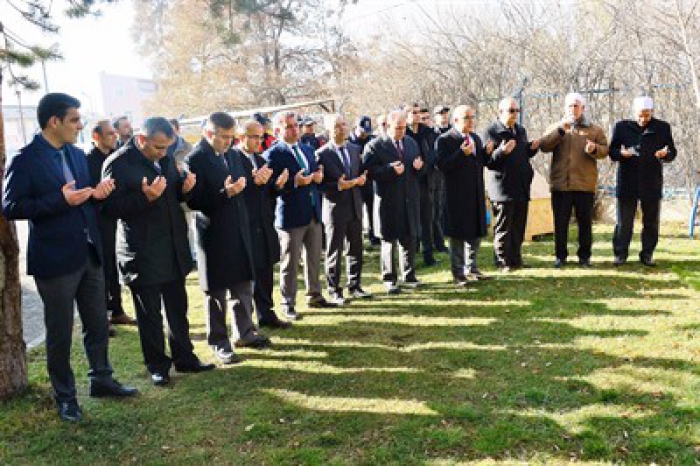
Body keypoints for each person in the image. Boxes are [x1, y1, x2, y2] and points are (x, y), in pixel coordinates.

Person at [2, 93, 138, 423]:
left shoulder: (77, 155)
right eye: (75, 120)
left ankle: (102, 380)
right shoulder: (25, 159)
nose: (80, 125)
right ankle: (65, 398)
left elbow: (84, 197)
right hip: (55, 260)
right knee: (60, 332)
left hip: (89, 254)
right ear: (54, 122)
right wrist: (60, 200)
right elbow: (11, 207)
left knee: (97, 323)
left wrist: (97, 195)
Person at [102, 117, 215, 386]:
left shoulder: (165, 159)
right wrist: (145, 198)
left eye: (167, 147)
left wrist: (185, 190)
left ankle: (185, 357)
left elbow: (172, 195)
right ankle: (157, 365)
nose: (163, 153)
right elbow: (107, 208)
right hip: (142, 250)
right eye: (158, 147)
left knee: (178, 307)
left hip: (173, 246)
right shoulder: (118, 163)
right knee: (149, 313)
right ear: (142, 140)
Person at [185, 113, 271, 365]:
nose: (229, 142)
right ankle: (219, 342)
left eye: (232, 137)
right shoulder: (196, 159)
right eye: (224, 137)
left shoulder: (233, 154)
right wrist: (226, 193)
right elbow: (193, 201)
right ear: (209, 134)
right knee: (217, 292)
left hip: (239, 227)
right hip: (214, 232)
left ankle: (244, 332)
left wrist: (257, 183)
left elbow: (246, 187)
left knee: (243, 284)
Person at [264, 111, 333, 321]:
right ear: (277, 131)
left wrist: (317, 177)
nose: (295, 129)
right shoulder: (273, 154)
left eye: (296, 126)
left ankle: (314, 294)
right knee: (290, 263)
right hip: (290, 215)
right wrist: (294, 182)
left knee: (313, 257)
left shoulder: (307, 149)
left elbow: (312, 176)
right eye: (289, 126)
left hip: (312, 210)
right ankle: (288, 303)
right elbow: (272, 188)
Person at [539, 92, 609, 268]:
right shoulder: (556, 127)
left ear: (583, 108)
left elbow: (605, 150)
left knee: (585, 223)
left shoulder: (595, 130)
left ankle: (584, 257)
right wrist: (560, 131)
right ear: (565, 108)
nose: (573, 109)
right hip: (561, 184)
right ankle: (560, 256)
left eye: (576, 106)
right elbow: (544, 146)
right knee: (560, 223)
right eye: (569, 106)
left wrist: (594, 149)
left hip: (584, 184)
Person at [235, 120, 292, 329]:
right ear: (241, 137)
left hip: (264, 223)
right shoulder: (234, 159)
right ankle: (247, 321)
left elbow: (266, 194)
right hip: (246, 225)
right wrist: (254, 183)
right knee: (250, 275)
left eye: (261, 137)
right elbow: (239, 193)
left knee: (266, 270)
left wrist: (277, 186)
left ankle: (266, 312)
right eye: (254, 137)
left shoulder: (259, 159)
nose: (259, 141)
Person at [609, 96, 677, 266]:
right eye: (640, 115)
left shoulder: (662, 128)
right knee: (624, 222)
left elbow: (672, 152)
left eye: (646, 115)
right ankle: (620, 254)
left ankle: (647, 254)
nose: (643, 119)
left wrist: (665, 154)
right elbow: (612, 151)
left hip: (651, 181)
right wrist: (621, 154)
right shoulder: (622, 127)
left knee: (651, 222)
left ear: (652, 112)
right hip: (627, 182)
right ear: (634, 112)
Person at [363, 110, 425, 294]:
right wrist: (389, 170)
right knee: (388, 240)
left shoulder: (411, 142)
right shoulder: (375, 146)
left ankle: (409, 274)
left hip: (409, 198)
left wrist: (419, 168)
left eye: (404, 127)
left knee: (409, 237)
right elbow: (369, 172)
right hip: (388, 200)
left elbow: (420, 166)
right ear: (388, 126)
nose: (402, 131)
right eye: (398, 128)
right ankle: (389, 278)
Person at [316, 114, 372, 305]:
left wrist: (362, 180)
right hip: (335, 208)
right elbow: (319, 186)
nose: (341, 129)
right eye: (337, 126)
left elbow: (361, 173)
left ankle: (354, 285)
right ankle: (334, 290)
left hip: (355, 205)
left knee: (355, 248)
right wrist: (339, 186)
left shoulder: (355, 150)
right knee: (335, 251)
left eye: (343, 124)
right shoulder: (322, 154)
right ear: (329, 130)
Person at [86, 120, 136, 326]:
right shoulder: (88, 160)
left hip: (118, 219)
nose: (115, 137)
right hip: (98, 221)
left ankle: (116, 310)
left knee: (114, 266)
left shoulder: (118, 159)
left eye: (115, 134)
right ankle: (102, 316)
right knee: (102, 267)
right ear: (96, 136)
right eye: (109, 134)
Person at [436, 105, 492, 285]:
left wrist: (489, 153)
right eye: (467, 118)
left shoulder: (475, 138)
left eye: (472, 117)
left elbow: (480, 162)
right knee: (458, 235)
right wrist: (461, 153)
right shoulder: (444, 140)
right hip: (456, 195)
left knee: (475, 232)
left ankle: (472, 267)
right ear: (456, 120)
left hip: (475, 192)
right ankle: (458, 272)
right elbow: (442, 166)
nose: (471, 121)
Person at [483, 97, 540, 272]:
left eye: (517, 111)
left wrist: (531, 148)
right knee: (503, 227)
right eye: (511, 111)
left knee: (518, 226)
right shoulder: (491, 131)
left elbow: (522, 155)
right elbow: (488, 161)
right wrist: (501, 151)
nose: (515, 114)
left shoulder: (520, 130)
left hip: (521, 185)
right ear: (500, 112)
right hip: (503, 187)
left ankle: (516, 259)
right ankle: (502, 261)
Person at [405, 103, 439, 266]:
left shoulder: (428, 133)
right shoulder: (403, 133)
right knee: (410, 220)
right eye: (412, 112)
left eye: (417, 112)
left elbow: (433, 154)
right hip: (409, 182)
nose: (416, 115)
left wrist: (423, 166)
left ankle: (428, 254)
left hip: (426, 180)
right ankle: (411, 255)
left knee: (427, 218)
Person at [348, 115, 379, 246]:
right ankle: (356, 238)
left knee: (372, 208)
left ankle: (374, 235)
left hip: (369, 180)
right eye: (363, 131)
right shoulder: (349, 141)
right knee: (356, 211)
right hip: (354, 181)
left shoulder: (371, 140)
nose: (365, 134)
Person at [431, 105, 451, 254]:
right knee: (437, 209)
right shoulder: (432, 133)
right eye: (440, 114)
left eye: (445, 113)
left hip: (453, 173)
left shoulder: (453, 131)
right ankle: (439, 242)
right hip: (437, 175)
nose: (443, 116)